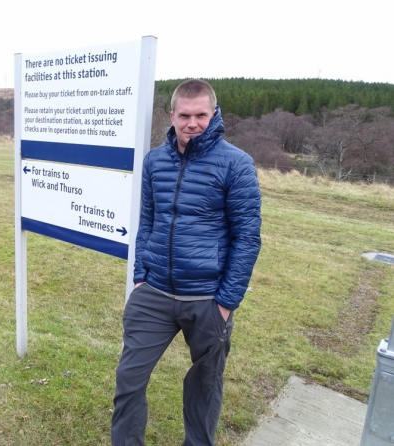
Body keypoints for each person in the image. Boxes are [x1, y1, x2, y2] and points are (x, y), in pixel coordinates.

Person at [111, 79, 262, 446]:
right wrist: (141, 277)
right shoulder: (155, 161)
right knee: (129, 379)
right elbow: (148, 220)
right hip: (155, 293)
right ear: (172, 115)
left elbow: (247, 238)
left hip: (207, 299)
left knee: (204, 387)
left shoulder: (237, 164)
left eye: (201, 115)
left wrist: (225, 303)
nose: (192, 123)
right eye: (185, 115)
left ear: (214, 114)